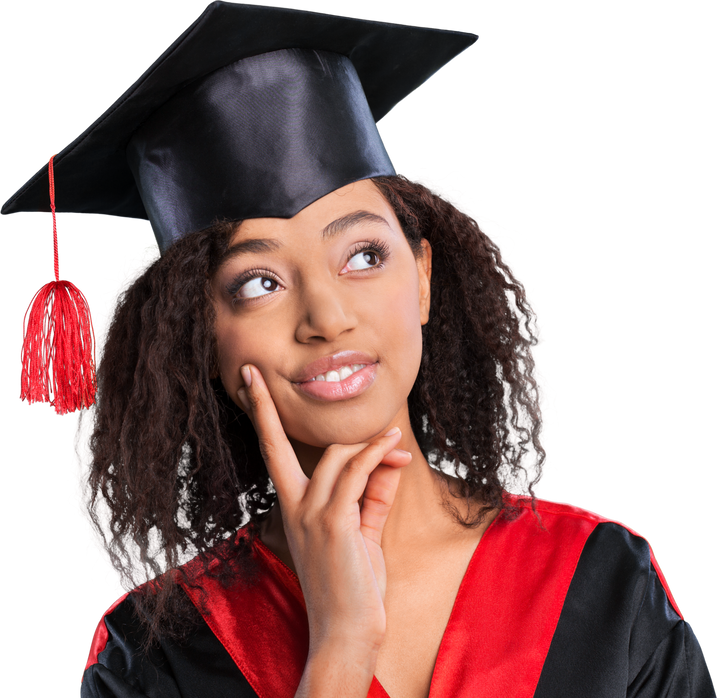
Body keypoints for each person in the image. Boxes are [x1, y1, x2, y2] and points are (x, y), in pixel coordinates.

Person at [4, 3, 713, 698]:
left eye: (363, 256)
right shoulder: (158, 659)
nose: (327, 317)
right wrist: (340, 642)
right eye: (258, 281)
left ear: (424, 280)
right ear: (201, 337)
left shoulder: (601, 589)